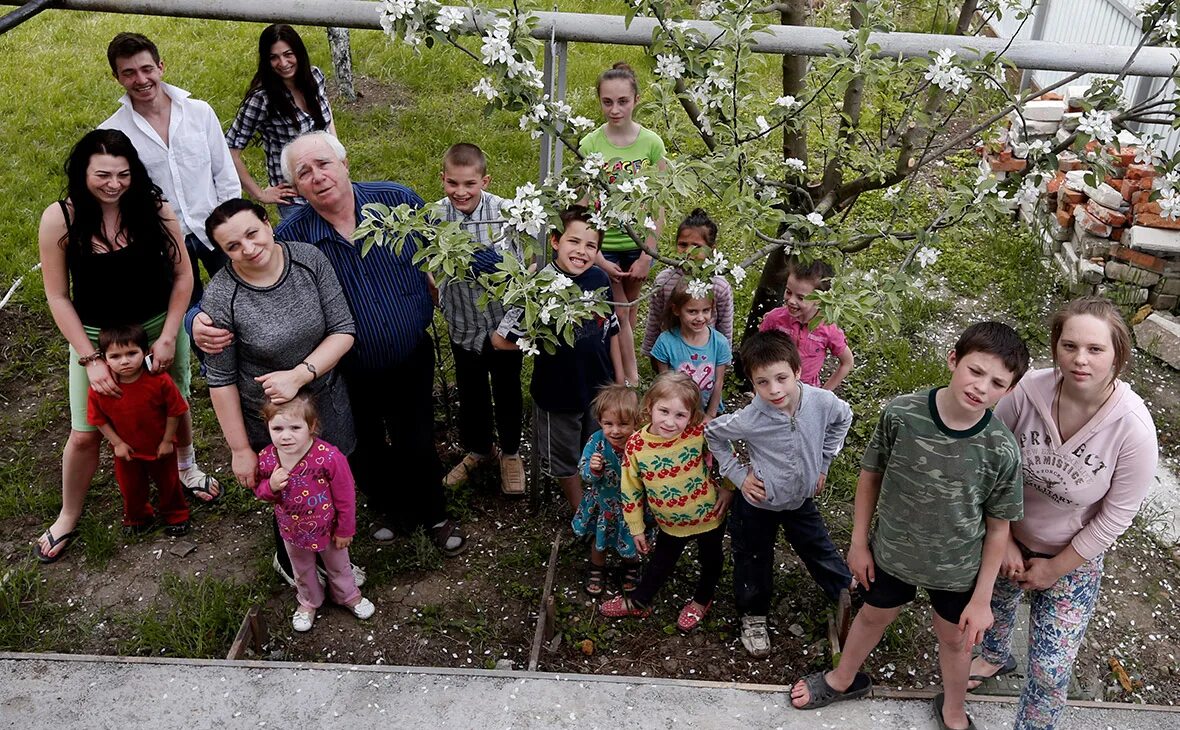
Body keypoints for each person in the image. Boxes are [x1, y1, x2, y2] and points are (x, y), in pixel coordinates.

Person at [192, 132, 467, 556]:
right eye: (304, 173)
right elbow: (250, 285)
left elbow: (442, 249)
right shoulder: (297, 237)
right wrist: (195, 319)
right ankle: (390, 509)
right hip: (344, 366)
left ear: (345, 163)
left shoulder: (396, 200)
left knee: (416, 435)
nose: (317, 177)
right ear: (296, 188)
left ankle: (433, 511)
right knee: (368, 443)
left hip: (408, 350)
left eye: (324, 164)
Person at [790, 322, 1029, 730]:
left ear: (1008, 391)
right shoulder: (902, 413)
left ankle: (952, 708)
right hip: (892, 553)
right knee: (871, 617)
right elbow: (870, 475)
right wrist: (859, 543)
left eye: (997, 383)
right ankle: (844, 678)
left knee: (954, 640)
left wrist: (982, 598)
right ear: (953, 359)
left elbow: (998, 528)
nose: (981, 387)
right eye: (975, 371)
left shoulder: (1001, 448)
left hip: (956, 571)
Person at [968, 297, 1158, 730]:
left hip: (1072, 558)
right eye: (1069, 346)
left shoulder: (1133, 429)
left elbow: (1115, 517)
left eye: (1095, 349)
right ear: (1055, 346)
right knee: (992, 613)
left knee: (1051, 673)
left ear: (1118, 355)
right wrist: (1007, 538)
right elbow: (989, 461)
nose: (1080, 360)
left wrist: (1055, 568)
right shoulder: (1027, 393)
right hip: (1004, 534)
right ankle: (995, 657)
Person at [34, 129, 195, 564]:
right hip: (94, 338)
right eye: (102, 174)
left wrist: (168, 336)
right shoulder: (60, 219)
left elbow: (183, 277)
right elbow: (57, 296)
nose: (114, 183)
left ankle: (188, 470)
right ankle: (69, 514)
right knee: (84, 433)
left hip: (158, 326)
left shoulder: (155, 209)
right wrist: (89, 358)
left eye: (123, 174)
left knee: (172, 406)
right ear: (82, 171)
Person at [199, 197, 358, 585]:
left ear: (268, 224)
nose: (248, 249)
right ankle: (292, 563)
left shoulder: (308, 260)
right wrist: (240, 450)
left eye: (252, 234)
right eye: (232, 247)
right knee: (287, 489)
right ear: (223, 252)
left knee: (330, 479)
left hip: (324, 398)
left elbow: (343, 329)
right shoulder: (222, 296)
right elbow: (219, 380)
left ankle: (334, 555)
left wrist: (299, 375)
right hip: (273, 421)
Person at [704, 331, 853, 659]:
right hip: (759, 503)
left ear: (798, 371)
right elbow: (713, 435)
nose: (774, 390)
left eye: (781, 378)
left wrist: (825, 462)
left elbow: (844, 418)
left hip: (800, 499)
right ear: (752, 383)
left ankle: (849, 596)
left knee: (818, 547)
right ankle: (753, 615)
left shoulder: (822, 402)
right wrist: (739, 476)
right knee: (753, 558)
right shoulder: (751, 418)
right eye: (762, 382)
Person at [492, 205, 623, 511]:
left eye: (591, 245)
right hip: (558, 396)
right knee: (564, 460)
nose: (581, 251)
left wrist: (619, 382)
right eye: (573, 242)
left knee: (598, 452)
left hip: (599, 392)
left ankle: (599, 506)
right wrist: (542, 341)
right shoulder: (538, 287)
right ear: (554, 241)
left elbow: (611, 330)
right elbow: (500, 339)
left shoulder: (599, 280)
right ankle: (582, 513)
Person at [102, 32, 241, 309]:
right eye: (129, 73)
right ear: (117, 77)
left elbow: (224, 173)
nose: (141, 80)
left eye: (147, 69)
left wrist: (231, 223)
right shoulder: (111, 133)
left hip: (216, 228)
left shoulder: (199, 112)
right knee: (191, 319)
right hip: (163, 243)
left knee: (242, 302)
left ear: (161, 66)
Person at [599, 372, 735, 632]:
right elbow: (630, 489)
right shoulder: (637, 445)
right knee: (660, 561)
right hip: (669, 523)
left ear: (691, 415)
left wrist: (728, 489)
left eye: (680, 415)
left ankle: (701, 600)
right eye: (664, 411)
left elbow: (727, 454)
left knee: (712, 560)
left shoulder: (698, 434)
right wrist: (636, 527)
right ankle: (639, 600)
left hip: (709, 515)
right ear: (649, 407)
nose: (670, 422)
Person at [433, 143, 527, 496]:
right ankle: (479, 449)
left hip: (503, 326)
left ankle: (512, 452)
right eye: (453, 183)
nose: (461, 192)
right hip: (463, 324)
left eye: (470, 184)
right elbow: (428, 265)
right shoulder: (435, 216)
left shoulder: (507, 214)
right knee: (471, 392)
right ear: (443, 179)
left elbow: (525, 269)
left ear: (484, 180)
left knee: (507, 390)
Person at [579, 61, 667, 385]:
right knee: (617, 311)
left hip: (638, 243)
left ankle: (621, 376)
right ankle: (628, 381)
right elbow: (584, 204)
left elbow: (659, 203)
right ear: (599, 100)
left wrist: (648, 253)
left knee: (628, 312)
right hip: (605, 245)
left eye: (622, 101)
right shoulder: (590, 145)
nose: (615, 109)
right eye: (607, 102)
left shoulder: (651, 144)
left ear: (636, 99)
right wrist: (597, 256)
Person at [256, 395, 374, 632]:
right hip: (292, 530)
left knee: (339, 564)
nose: (285, 435)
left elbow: (346, 496)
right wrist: (271, 487)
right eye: (277, 428)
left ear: (311, 427)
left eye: (295, 427)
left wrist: (345, 529)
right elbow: (260, 491)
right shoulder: (268, 458)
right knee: (302, 568)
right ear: (267, 426)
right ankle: (309, 601)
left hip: (329, 529)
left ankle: (348, 595)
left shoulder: (329, 457)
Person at [87, 324, 190, 536]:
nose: (124, 361)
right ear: (105, 359)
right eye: (115, 356)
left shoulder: (159, 381)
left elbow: (175, 411)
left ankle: (176, 514)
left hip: (160, 446)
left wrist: (168, 440)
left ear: (145, 352)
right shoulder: (101, 389)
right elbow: (98, 420)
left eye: (131, 353)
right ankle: (137, 517)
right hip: (127, 452)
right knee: (130, 488)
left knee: (169, 482)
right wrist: (117, 443)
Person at [226, 24, 336, 217]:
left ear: (299, 53)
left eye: (288, 54)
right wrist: (260, 194)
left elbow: (326, 118)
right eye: (274, 57)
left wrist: (337, 153)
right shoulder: (262, 99)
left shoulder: (315, 77)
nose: (283, 63)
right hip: (297, 199)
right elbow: (230, 150)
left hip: (329, 183)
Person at [571, 385, 651, 596]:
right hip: (603, 503)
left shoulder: (640, 444)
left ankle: (631, 566)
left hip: (631, 506)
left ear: (637, 422)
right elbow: (584, 475)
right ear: (600, 422)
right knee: (600, 541)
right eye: (608, 424)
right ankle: (597, 567)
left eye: (623, 424)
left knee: (630, 538)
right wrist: (593, 469)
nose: (615, 430)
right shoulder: (596, 442)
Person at [640, 209, 734, 367]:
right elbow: (655, 318)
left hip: (706, 358)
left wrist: (724, 359)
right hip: (672, 357)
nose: (688, 251)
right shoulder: (665, 280)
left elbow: (725, 325)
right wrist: (650, 350)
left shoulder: (719, 286)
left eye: (696, 246)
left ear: (711, 249)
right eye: (683, 245)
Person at [759, 256, 855, 391]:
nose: (791, 300)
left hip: (806, 394)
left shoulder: (828, 328)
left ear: (821, 299)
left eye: (801, 297)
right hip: (774, 390)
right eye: (788, 292)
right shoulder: (775, 319)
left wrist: (824, 394)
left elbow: (847, 362)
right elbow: (758, 353)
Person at [651, 279, 732, 419]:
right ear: (676, 310)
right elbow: (663, 384)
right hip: (675, 412)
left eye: (705, 310)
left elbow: (718, 382)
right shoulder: (665, 342)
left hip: (708, 411)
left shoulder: (720, 343)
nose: (700, 318)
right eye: (692, 311)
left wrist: (710, 416)